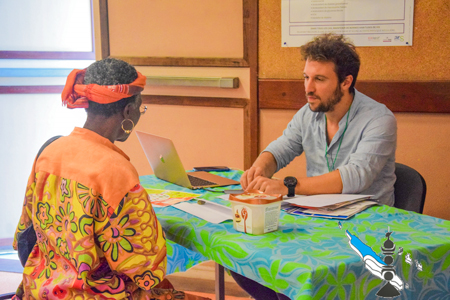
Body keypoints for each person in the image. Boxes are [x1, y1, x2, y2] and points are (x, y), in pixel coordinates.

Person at [12, 58, 209, 300]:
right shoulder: (116, 171)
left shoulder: (49, 153)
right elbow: (145, 270)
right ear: (128, 111)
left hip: (40, 289)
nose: (139, 114)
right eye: (140, 108)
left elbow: (24, 232)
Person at [232, 33, 397, 299]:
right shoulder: (309, 112)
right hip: (319, 221)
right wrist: (260, 167)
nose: (308, 88)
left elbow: (357, 177)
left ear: (346, 82)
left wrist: (288, 186)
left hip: (366, 229)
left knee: (292, 275)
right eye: (306, 77)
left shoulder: (379, 119)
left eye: (319, 79)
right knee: (244, 258)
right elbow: (282, 147)